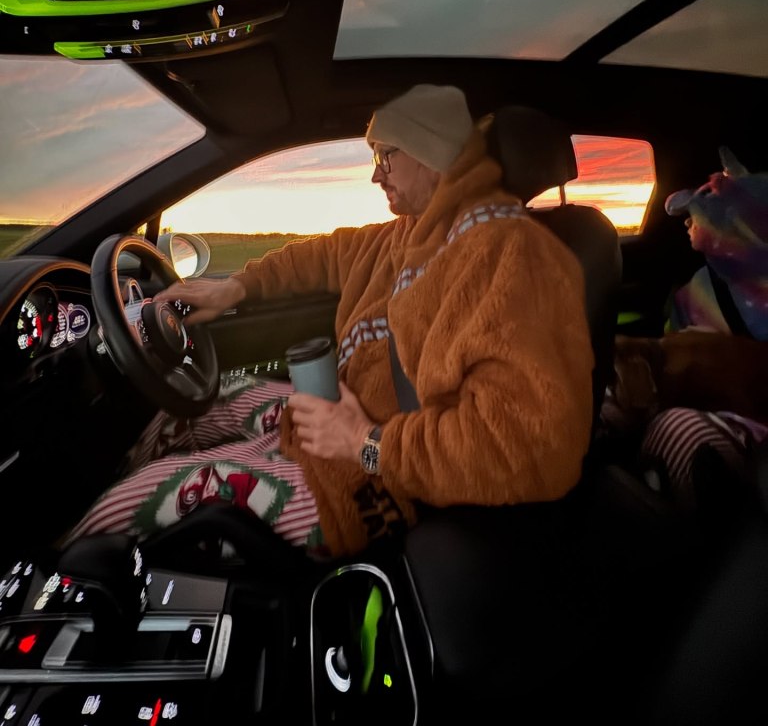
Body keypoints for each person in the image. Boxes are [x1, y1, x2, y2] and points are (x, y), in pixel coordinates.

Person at [65, 84, 594, 559]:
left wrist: (364, 441)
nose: (375, 173)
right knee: (188, 410)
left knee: (134, 502)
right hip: (341, 430)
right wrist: (234, 288)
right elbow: (322, 255)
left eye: (386, 155)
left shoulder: (509, 256)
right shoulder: (410, 233)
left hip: (376, 486)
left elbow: (528, 445)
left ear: (432, 155)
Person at [602, 146, 768, 511]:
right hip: (694, 402)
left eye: (698, 215)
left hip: (747, 418)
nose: (687, 223)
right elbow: (667, 344)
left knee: (681, 433)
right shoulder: (699, 288)